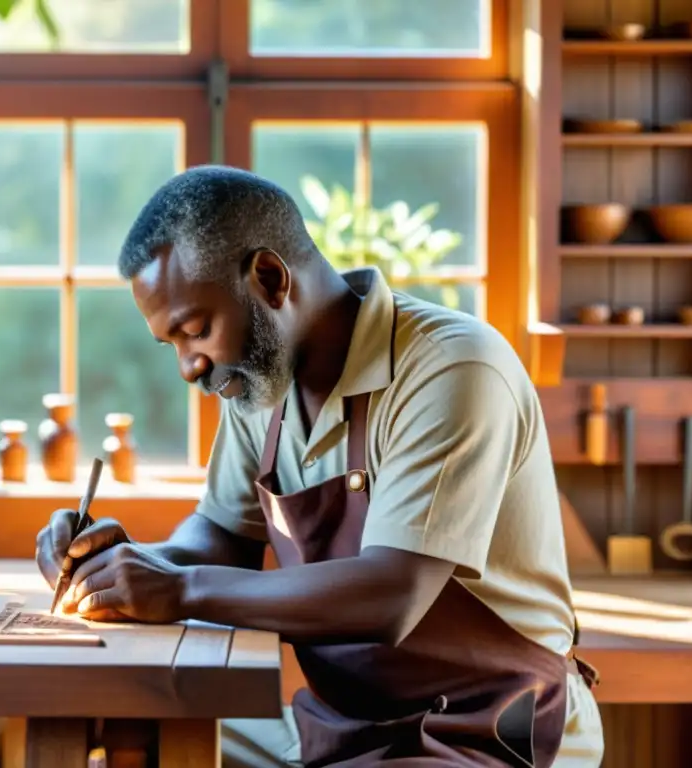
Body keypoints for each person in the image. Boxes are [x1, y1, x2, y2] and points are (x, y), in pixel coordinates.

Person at [35, 165, 604, 767]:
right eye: (172, 344)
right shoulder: (261, 384)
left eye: (196, 331)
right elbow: (224, 535)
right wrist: (126, 564)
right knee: (135, 745)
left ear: (270, 278)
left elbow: (393, 596)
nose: (189, 367)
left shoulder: (454, 369)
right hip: (342, 722)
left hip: (491, 725)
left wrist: (178, 588)